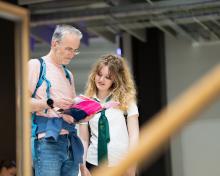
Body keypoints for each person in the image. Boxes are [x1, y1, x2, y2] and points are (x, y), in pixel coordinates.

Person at [29, 24, 84, 176]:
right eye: (68, 49)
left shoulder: (69, 75)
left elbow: (69, 112)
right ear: (54, 44)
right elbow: (21, 103)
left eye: (75, 50)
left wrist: (84, 114)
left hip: (70, 142)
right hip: (47, 142)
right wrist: (50, 102)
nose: (72, 54)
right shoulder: (36, 66)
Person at [79, 54, 139, 176]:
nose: (101, 80)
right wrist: (82, 165)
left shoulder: (126, 101)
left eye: (107, 77)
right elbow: (83, 139)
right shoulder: (86, 102)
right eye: (99, 74)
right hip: (93, 164)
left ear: (116, 79)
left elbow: (134, 136)